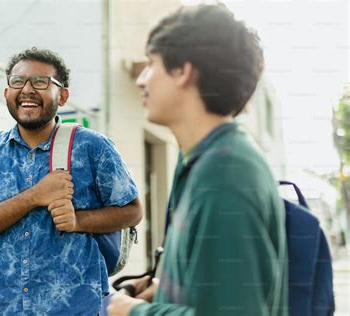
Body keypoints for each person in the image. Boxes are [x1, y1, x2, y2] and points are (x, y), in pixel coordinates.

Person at [108, 3, 287, 316]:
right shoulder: (205, 160)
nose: (142, 80)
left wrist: (131, 311)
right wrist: (164, 289)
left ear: (184, 71)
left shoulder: (226, 175)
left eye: (152, 64)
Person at [0, 47, 142, 315]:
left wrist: (78, 220)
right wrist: (34, 196)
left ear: (62, 95)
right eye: (18, 81)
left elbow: (133, 211)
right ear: (7, 92)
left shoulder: (92, 147)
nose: (27, 90)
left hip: (76, 307)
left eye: (40, 82)